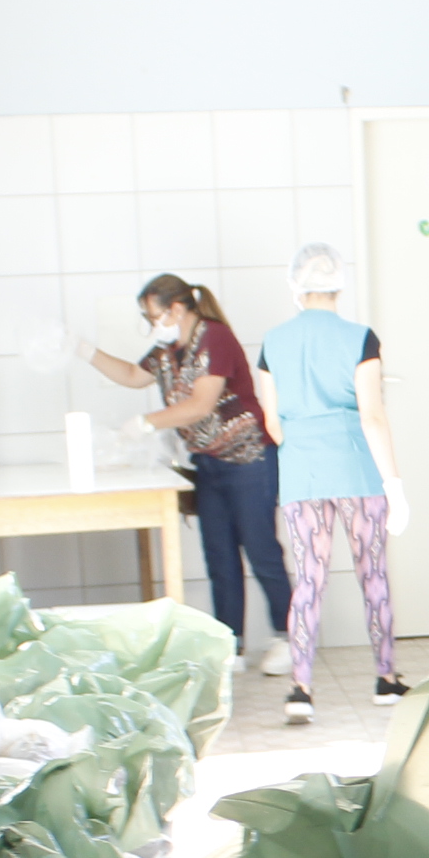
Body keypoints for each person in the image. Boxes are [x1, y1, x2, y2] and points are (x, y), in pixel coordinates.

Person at [90, 275, 287, 677]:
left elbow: (200, 405)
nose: (152, 323)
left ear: (177, 309)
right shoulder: (168, 349)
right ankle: (231, 644)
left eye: (153, 315)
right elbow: (132, 374)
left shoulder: (215, 339)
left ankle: (289, 638)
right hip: (209, 466)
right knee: (220, 558)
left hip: (250, 460)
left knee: (262, 552)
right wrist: (83, 351)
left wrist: (146, 423)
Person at [253, 244, 404, 724]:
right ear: (339, 283)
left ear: (295, 285)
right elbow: (373, 416)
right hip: (357, 470)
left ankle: (300, 689)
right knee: (372, 574)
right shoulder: (360, 338)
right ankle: (386, 679)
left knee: (309, 581)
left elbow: (272, 425)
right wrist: (394, 483)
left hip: (302, 474)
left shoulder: (272, 343)